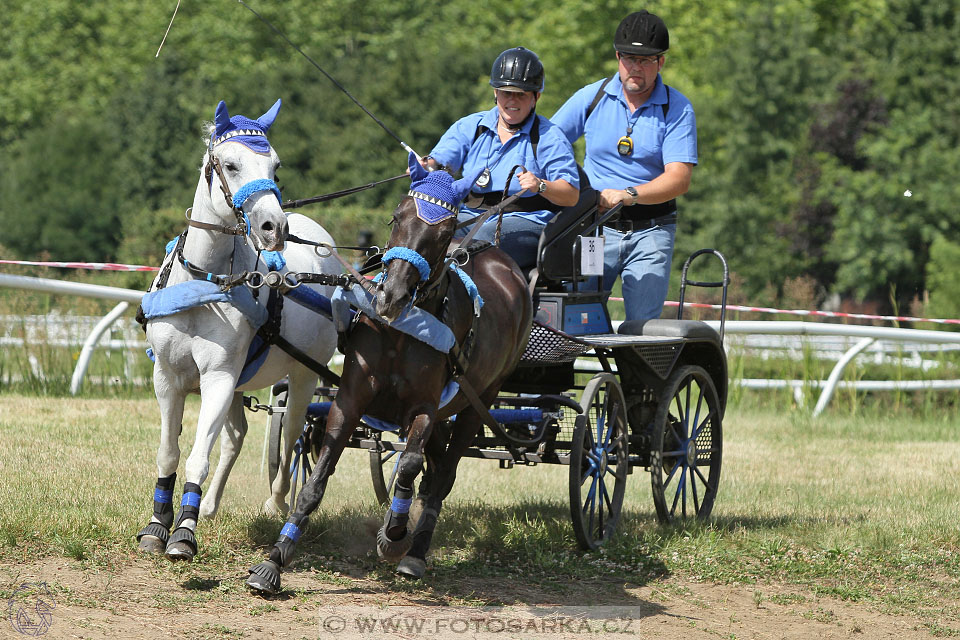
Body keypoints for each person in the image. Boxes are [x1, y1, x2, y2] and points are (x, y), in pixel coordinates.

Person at [551, 10, 697, 321]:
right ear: (618, 57)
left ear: (661, 62)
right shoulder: (592, 97)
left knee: (642, 328)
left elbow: (679, 179)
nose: (636, 67)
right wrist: (573, 186)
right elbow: (549, 143)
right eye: (630, 58)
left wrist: (627, 194)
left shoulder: (677, 108)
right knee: (576, 318)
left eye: (645, 60)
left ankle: (636, 369)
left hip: (652, 231)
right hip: (593, 230)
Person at [422, 47, 580, 271]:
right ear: (496, 93)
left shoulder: (550, 137)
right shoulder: (470, 126)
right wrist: (426, 166)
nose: (512, 101)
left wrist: (540, 185)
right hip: (472, 216)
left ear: (536, 97)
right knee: (425, 226)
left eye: (521, 94)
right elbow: (440, 162)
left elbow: (571, 196)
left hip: (526, 221)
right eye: (507, 93)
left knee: (482, 239)